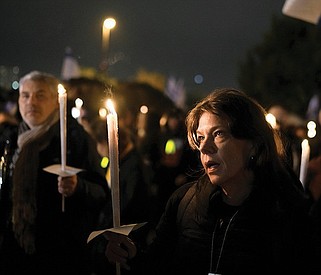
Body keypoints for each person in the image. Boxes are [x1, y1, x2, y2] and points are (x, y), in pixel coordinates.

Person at [104, 88, 319, 274]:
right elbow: (157, 265)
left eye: (218, 134)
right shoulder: (184, 202)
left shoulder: (289, 213)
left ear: (253, 144)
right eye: (200, 137)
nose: (204, 148)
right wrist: (131, 255)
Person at [0, 71, 110, 274]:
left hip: (60, 255)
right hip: (14, 251)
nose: (31, 102)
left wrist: (78, 187)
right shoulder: (10, 140)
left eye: (40, 95)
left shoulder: (76, 140)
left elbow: (101, 193)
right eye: (25, 95)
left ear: (56, 101)